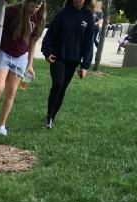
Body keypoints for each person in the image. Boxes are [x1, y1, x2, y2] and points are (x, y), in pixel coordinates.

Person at [0, 0, 46, 137]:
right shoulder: (11, 11)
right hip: (4, 53)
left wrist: (29, 65)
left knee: (11, 93)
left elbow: (32, 42)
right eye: (32, 5)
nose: (34, 9)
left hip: (21, 57)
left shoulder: (39, 17)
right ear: (26, 2)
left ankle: (1, 126)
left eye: (38, 6)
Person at [41, 0, 96, 129]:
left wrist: (85, 65)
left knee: (63, 88)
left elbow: (89, 43)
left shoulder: (88, 17)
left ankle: (52, 117)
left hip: (73, 60)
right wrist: (47, 52)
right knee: (58, 84)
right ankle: (49, 115)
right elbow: (50, 34)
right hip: (58, 57)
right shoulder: (63, 12)